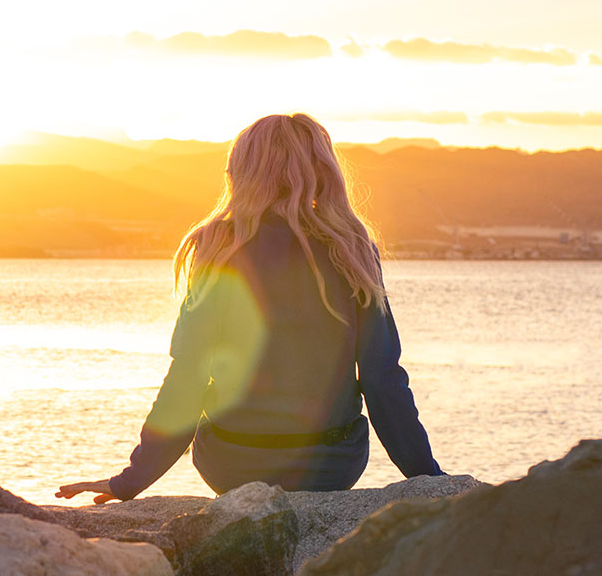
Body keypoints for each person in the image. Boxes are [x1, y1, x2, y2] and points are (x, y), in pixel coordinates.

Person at [56, 113, 442, 504]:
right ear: (323, 171)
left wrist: (130, 481)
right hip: (331, 466)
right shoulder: (353, 250)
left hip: (231, 463)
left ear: (241, 171)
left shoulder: (220, 247)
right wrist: (433, 480)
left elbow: (188, 376)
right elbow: (382, 380)